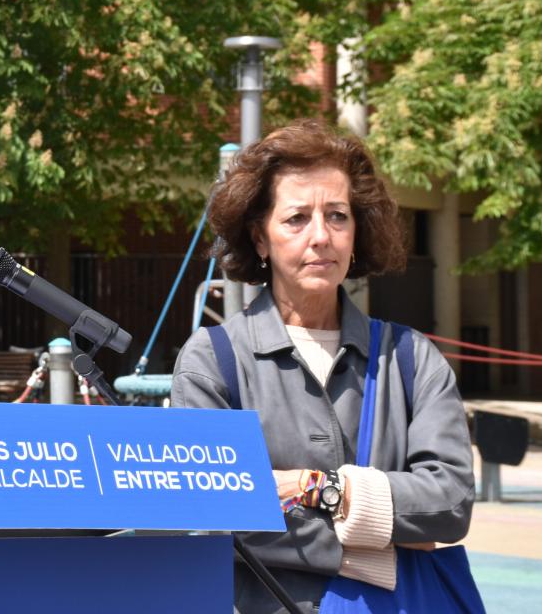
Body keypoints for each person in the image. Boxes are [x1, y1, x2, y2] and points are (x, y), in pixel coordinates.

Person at [171, 119, 477, 613]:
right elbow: (216, 519)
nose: (321, 237)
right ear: (260, 238)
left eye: (337, 216)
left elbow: (450, 502)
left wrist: (321, 488)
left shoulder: (411, 357)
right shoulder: (212, 361)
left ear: (357, 233)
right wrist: (375, 548)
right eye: (296, 218)